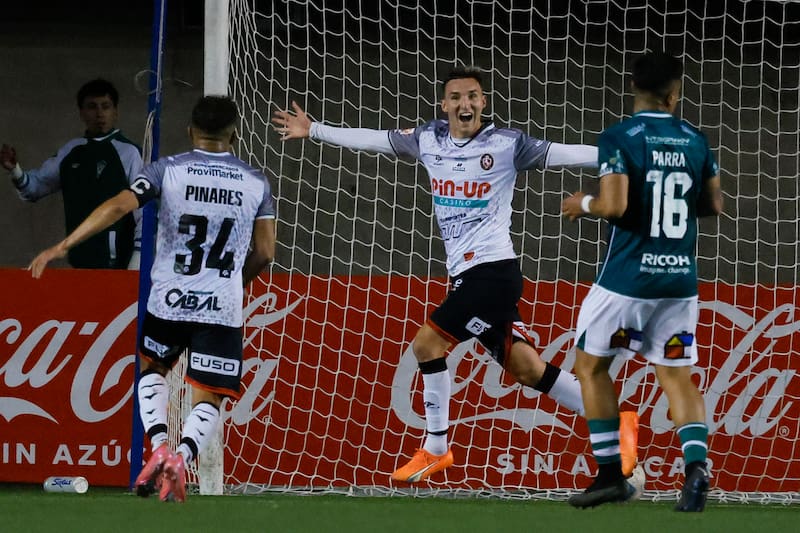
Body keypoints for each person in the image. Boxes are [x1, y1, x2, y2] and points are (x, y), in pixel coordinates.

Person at [272, 67, 638, 484]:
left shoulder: (507, 144)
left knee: (427, 346)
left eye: (473, 97)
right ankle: (616, 416)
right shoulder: (428, 138)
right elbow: (376, 139)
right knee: (527, 368)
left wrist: (617, 153)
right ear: (444, 105)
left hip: (494, 274)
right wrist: (315, 129)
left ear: (483, 103)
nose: (465, 104)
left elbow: (563, 152)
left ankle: (436, 447)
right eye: (456, 97)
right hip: (465, 276)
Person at [29, 95, 277, 503]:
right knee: (209, 394)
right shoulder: (256, 182)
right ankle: (181, 458)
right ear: (235, 133)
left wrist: (63, 245)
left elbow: (116, 207)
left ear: (189, 131)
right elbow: (266, 252)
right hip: (222, 305)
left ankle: (159, 445)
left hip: (169, 300)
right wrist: (232, 284)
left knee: (153, 368)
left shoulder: (168, 170)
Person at [561, 51, 723, 511]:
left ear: (635, 89)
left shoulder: (619, 137)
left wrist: (583, 205)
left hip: (626, 283)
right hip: (678, 283)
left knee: (591, 367)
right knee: (676, 374)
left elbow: (612, 206)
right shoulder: (696, 139)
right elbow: (714, 205)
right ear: (674, 94)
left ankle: (611, 473)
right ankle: (696, 470)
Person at [1, 78, 143, 269]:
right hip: (79, 262)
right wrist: (14, 170)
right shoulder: (70, 151)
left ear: (116, 111)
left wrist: (138, 258)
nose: (100, 113)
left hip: (120, 264)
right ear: (82, 113)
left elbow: (145, 208)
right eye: (92, 107)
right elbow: (34, 188)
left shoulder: (130, 152)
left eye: (106, 106)